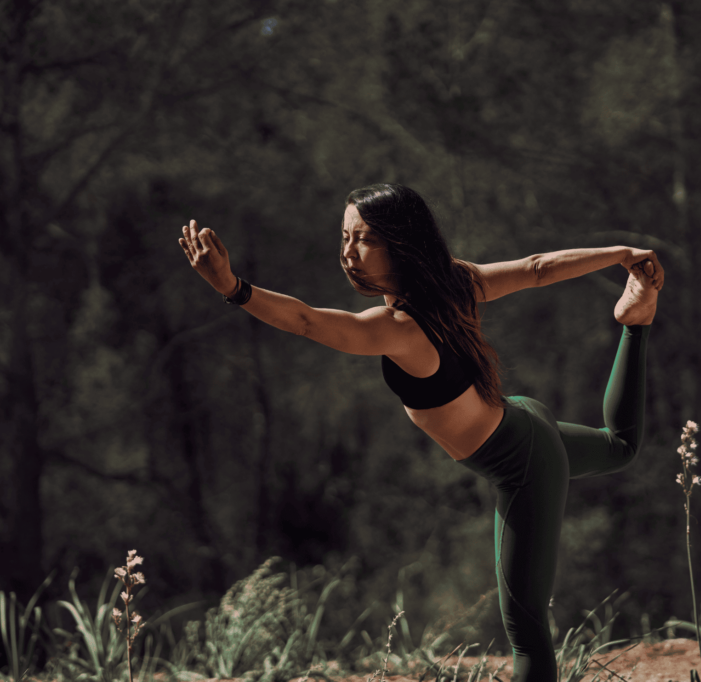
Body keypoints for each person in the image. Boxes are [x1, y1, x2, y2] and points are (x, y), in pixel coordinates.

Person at [179, 183, 662, 682]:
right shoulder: (457, 284)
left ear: (402, 244)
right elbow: (536, 268)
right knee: (618, 445)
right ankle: (636, 321)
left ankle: (634, 322)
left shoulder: (400, 328)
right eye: (344, 236)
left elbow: (305, 321)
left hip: (521, 462)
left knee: (526, 630)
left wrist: (234, 288)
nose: (347, 251)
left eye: (364, 239)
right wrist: (620, 254)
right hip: (521, 419)